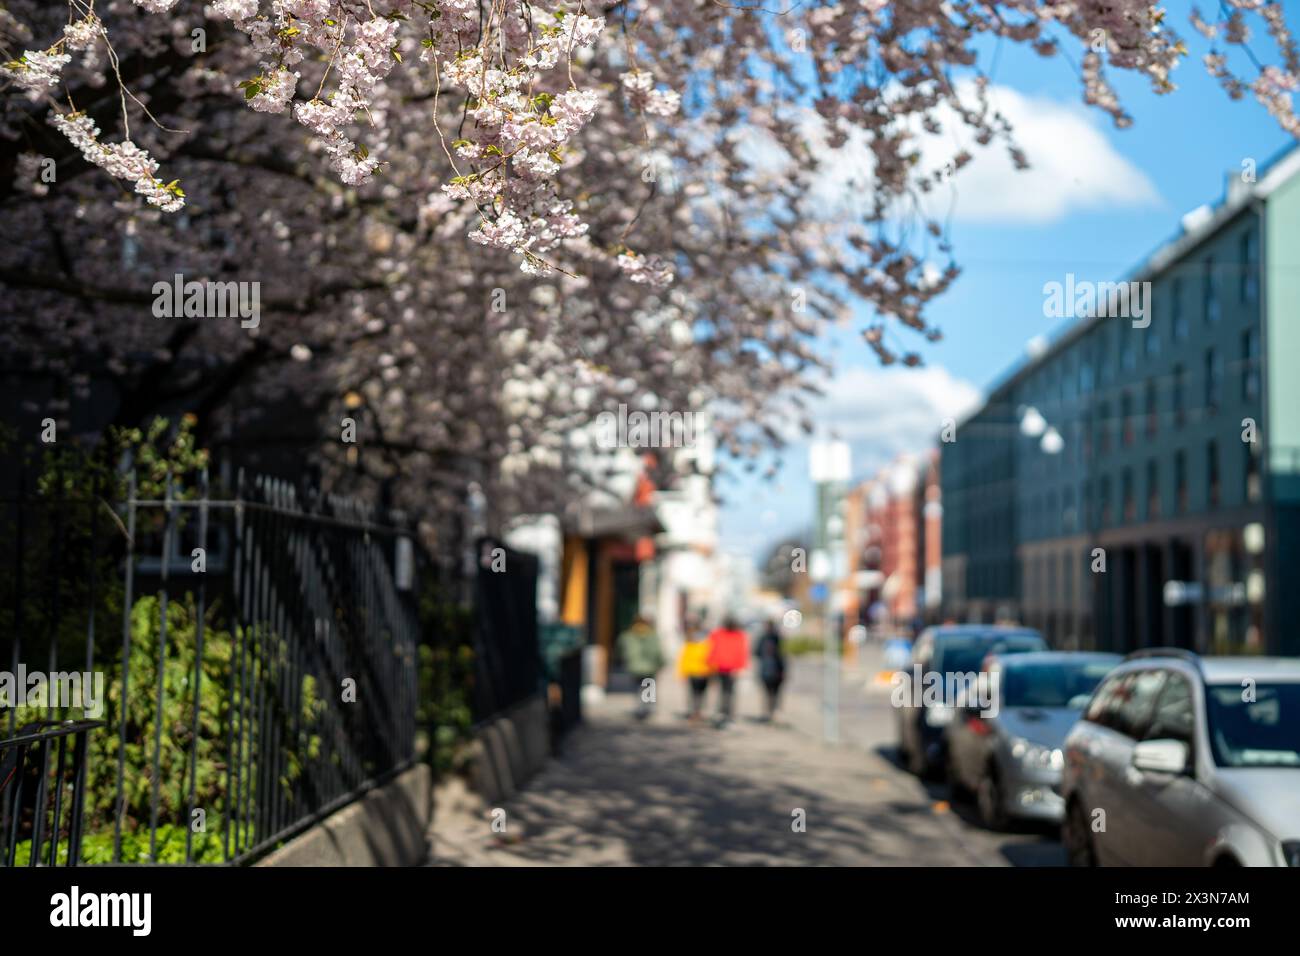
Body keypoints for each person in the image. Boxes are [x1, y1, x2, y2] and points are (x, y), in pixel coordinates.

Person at [617, 615, 664, 719]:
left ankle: (640, 708)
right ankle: (647, 708)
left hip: (634, 667)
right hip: (650, 667)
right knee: (649, 686)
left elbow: (620, 649)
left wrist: (622, 660)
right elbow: (657, 652)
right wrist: (661, 663)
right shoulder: (652, 635)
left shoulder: (627, 635)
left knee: (637, 688)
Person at [706, 616, 748, 727]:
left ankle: (726, 714)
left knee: (727, 692)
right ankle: (722, 714)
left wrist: (740, 666)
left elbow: (741, 652)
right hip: (721, 667)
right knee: (725, 692)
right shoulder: (720, 634)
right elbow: (712, 649)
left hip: (729, 668)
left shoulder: (736, 635)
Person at [676, 621, 712, 722]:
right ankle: (696, 712)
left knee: (695, 694)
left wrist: (681, 673)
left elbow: (683, 659)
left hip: (700, 672)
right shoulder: (705, 643)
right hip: (700, 672)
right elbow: (683, 659)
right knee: (698, 694)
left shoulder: (691, 643)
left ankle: (696, 712)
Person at [753, 620, 786, 721]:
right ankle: (772, 712)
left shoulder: (770, 639)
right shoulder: (777, 638)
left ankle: (770, 712)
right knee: (773, 693)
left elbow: (756, 653)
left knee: (770, 693)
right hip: (772, 670)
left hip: (770, 670)